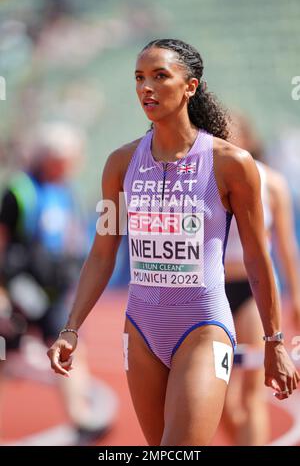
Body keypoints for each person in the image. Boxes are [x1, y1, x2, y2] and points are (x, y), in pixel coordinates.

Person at [47, 38, 299, 446]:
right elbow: (102, 251)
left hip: (204, 326)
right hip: (141, 329)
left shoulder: (231, 164)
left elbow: (257, 255)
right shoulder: (121, 163)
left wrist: (274, 341)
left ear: (190, 86)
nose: (146, 88)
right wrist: (70, 328)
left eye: (160, 76)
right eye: (139, 78)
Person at [0, 122, 116, 444]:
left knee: (69, 349)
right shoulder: (19, 190)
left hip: (53, 294)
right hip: (18, 290)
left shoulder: (66, 191)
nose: (74, 164)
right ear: (51, 157)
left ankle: (80, 418)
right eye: (69, 158)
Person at [222, 113, 300, 445]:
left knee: (253, 388)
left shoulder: (273, 183)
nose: (225, 140)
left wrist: (296, 296)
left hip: (253, 291)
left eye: (232, 134)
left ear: (249, 140)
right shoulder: (204, 180)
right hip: (212, 291)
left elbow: (286, 247)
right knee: (219, 392)